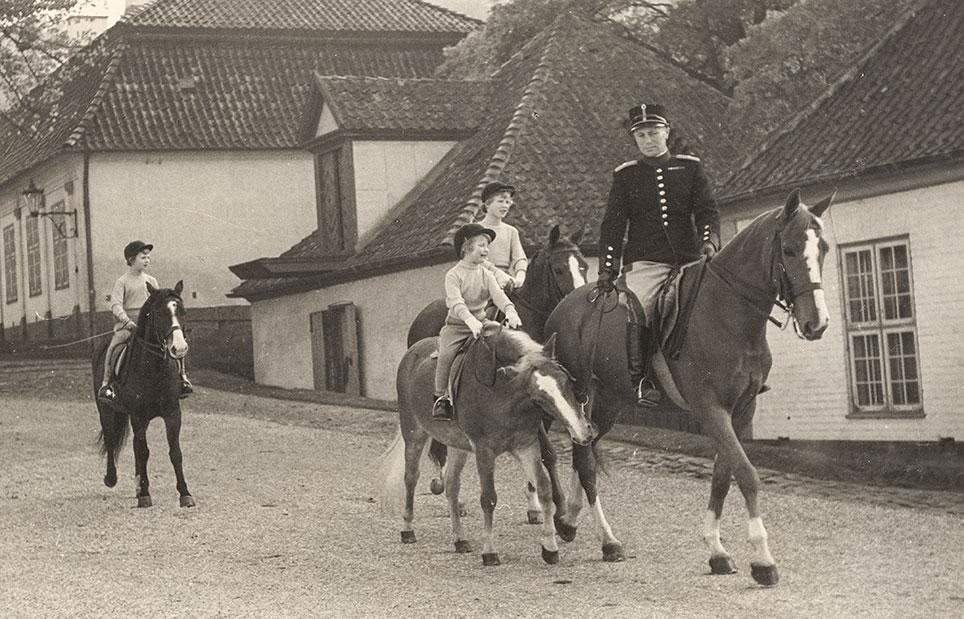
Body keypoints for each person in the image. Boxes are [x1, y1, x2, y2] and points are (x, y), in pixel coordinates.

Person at [597, 103, 720, 406]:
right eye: (641, 136)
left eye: (653, 133)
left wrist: (709, 243)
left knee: (722, 297)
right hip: (647, 261)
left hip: (690, 258)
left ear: (666, 132)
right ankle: (641, 381)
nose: (648, 140)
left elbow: (707, 211)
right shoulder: (626, 176)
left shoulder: (690, 168)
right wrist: (609, 267)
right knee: (641, 306)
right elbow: (613, 225)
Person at [433, 223, 522, 421]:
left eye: (487, 245)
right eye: (481, 245)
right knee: (446, 355)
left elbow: (498, 295)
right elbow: (456, 303)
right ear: (466, 247)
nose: (486, 249)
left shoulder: (486, 273)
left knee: (509, 342)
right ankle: (441, 398)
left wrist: (510, 311)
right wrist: (470, 321)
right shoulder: (453, 275)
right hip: (457, 326)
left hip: (482, 322)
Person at [97, 240, 193, 403]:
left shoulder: (152, 281)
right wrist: (126, 321)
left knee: (175, 341)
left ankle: (182, 378)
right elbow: (115, 304)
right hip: (128, 325)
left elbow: (160, 304)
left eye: (148, 257)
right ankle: (107, 385)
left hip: (149, 325)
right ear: (131, 260)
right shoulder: (122, 282)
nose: (147, 260)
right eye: (143, 257)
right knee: (113, 347)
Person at [478, 181, 528, 289]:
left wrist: (520, 276)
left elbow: (519, 258)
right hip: (483, 280)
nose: (505, 206)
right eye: (500, 201)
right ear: (487, 204)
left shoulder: (511, 231)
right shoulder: (477, 229)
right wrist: (498, 274)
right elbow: (477, 258)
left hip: (507, 281)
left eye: (507, 202)